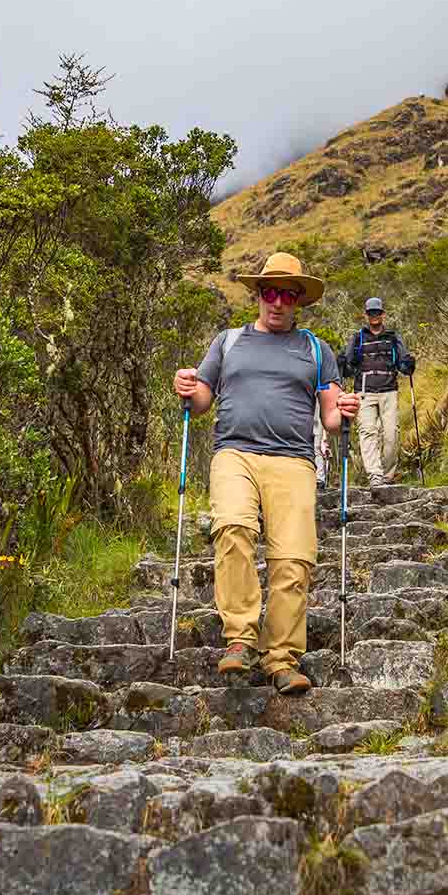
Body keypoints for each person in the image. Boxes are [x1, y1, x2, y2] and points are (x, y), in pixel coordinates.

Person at [173, 253, 361, 695]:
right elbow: (201, 400)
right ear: (258, 295)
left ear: (298, 301)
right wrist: (188, 386)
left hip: (294, 460)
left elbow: (331, 418)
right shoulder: (228, 341)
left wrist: (346, 410)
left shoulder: (317, 350)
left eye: (287, 295)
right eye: (270, 292)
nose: (277, 302)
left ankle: (281, 659)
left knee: (293, 558)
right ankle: (240, 639)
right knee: (233, 528)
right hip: (233, 454)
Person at [341, 296, 416, 486]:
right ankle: (374, 475)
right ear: (365, 315)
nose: (374, 316)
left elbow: (403, 365)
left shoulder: (392, 337)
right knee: (367, 432)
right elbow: (348, 368)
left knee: (391, 434)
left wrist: (409, 364)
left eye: (377, 312)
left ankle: (387, 475)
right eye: (370, 313)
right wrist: (341, 363)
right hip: (364, 392)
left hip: (389, 391)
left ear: (383, 314)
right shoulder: (358, 338)